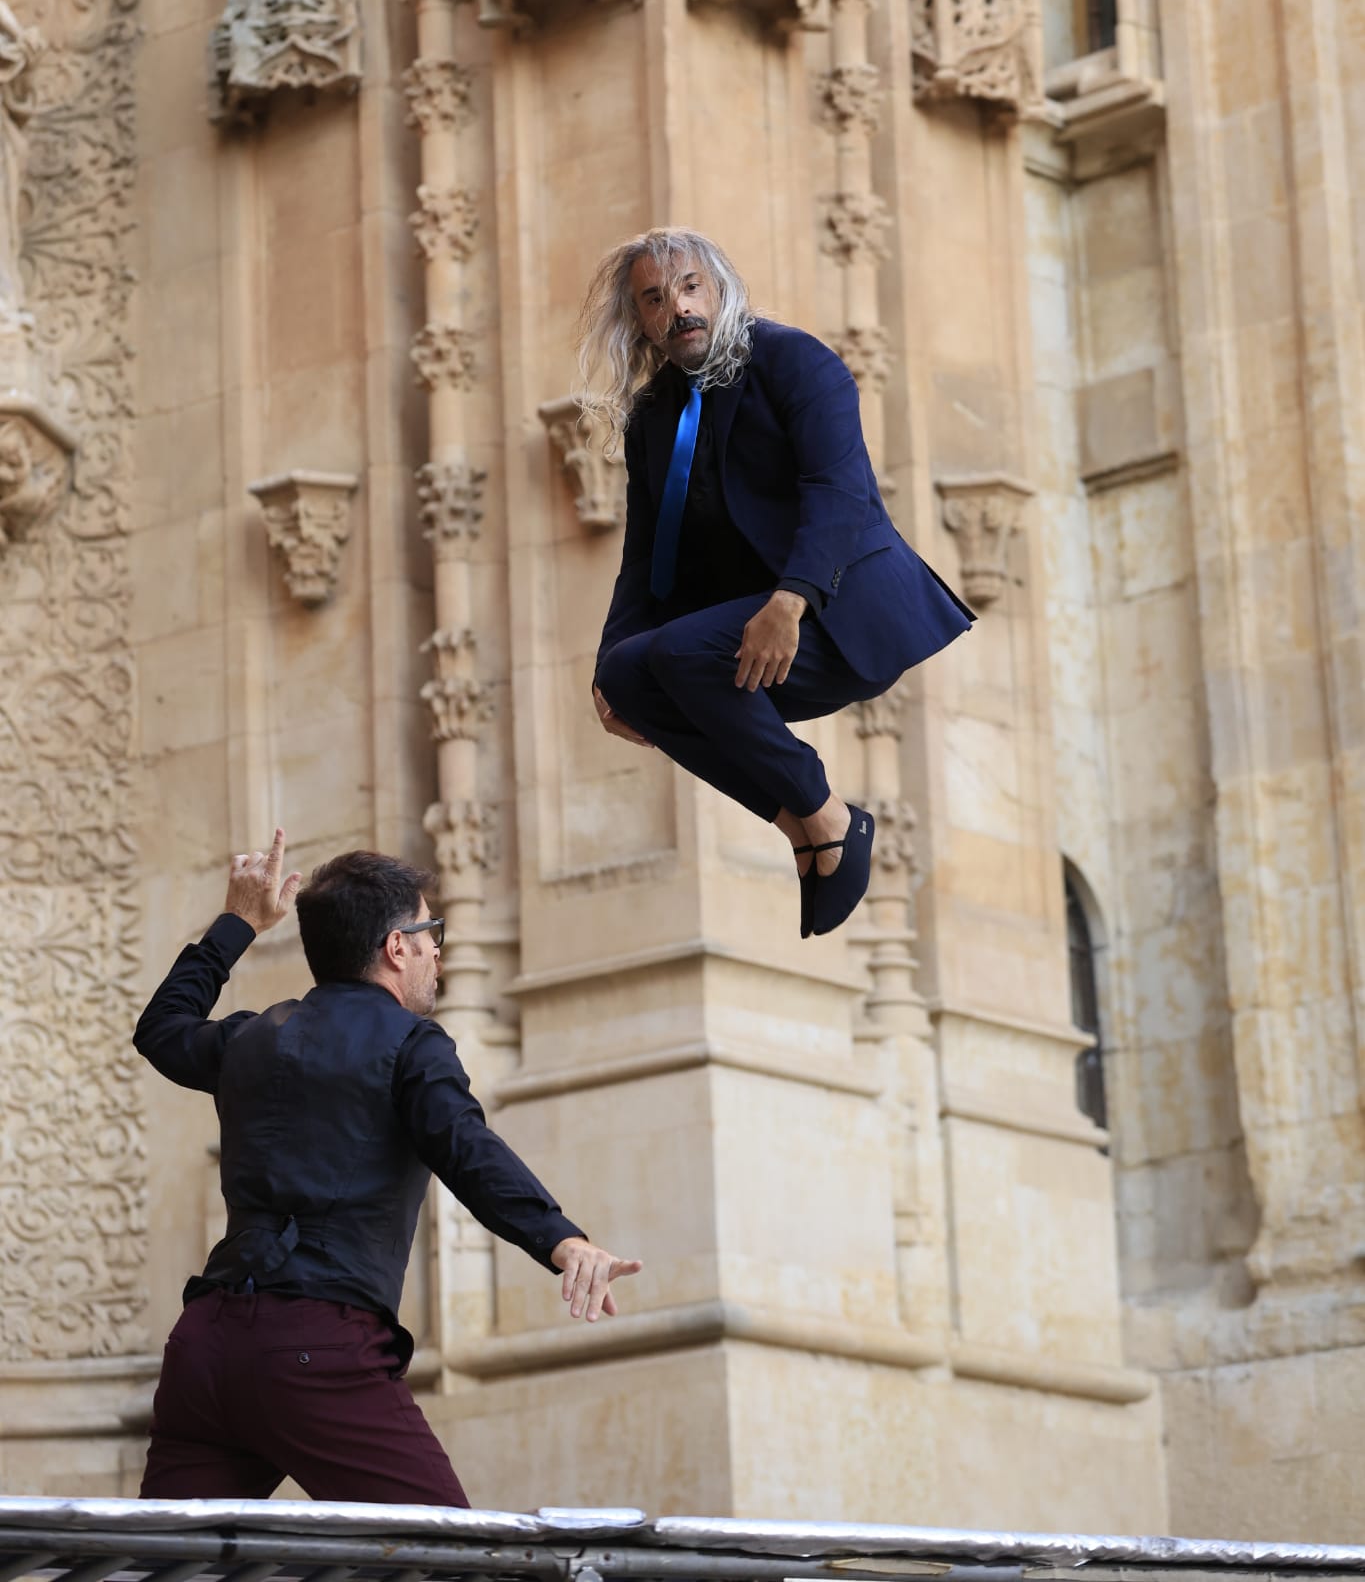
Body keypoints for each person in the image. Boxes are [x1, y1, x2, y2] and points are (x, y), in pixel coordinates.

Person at [134, 832, 641, 1503]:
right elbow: (464, 1147)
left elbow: (162, 1028)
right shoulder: (412, 1044)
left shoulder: (251, 1037)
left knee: (156, 1565)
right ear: (397, 947)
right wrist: (560, 1238)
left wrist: (238, 923)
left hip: (206, 1350)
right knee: (448, 1559)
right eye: (431, 930)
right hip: (316, 1350)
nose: (440, 948)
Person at [583, 229, 973, 940]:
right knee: (631, 673)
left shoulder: (793, 360)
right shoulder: (653, 417)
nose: (679, 307)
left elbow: (837, 492)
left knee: (676, 655)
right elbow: (642, 556)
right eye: (655, 297)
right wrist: (609, 669)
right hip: (748, 636)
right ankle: (803, 827)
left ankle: (829, 819)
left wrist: (789, 599)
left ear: (720, 288)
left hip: (838, 611)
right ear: (638, 320)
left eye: (692, 286)